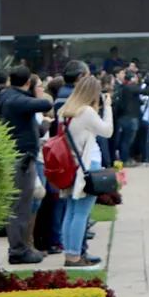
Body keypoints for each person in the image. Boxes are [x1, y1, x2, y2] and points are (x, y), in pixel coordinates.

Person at [0, 67, 55, 264]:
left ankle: (20, 247)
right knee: (21, 206)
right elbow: (45, 104)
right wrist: (36, 94)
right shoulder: (16, 99)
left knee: (20, 204)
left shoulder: (5, 96)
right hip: (22, 159)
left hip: (18, 156)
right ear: (28, 83)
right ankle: (18, 250)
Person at [56, 74, 111, 267]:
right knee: (81, 213)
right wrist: (108, 107)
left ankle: (70, 253)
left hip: (72, 164)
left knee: (71, 211)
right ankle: (74, 255)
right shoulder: (86, 112)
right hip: (88, 164)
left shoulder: (65, 111)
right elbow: (107, 131)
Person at [111, 69, 142, 165]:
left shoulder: (123, 87)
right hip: (128, 116)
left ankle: (126, 157)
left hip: (125, 116)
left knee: (127, 140)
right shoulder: (129, 87)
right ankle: (125, 159)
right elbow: (143, 91)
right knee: (127, 140)